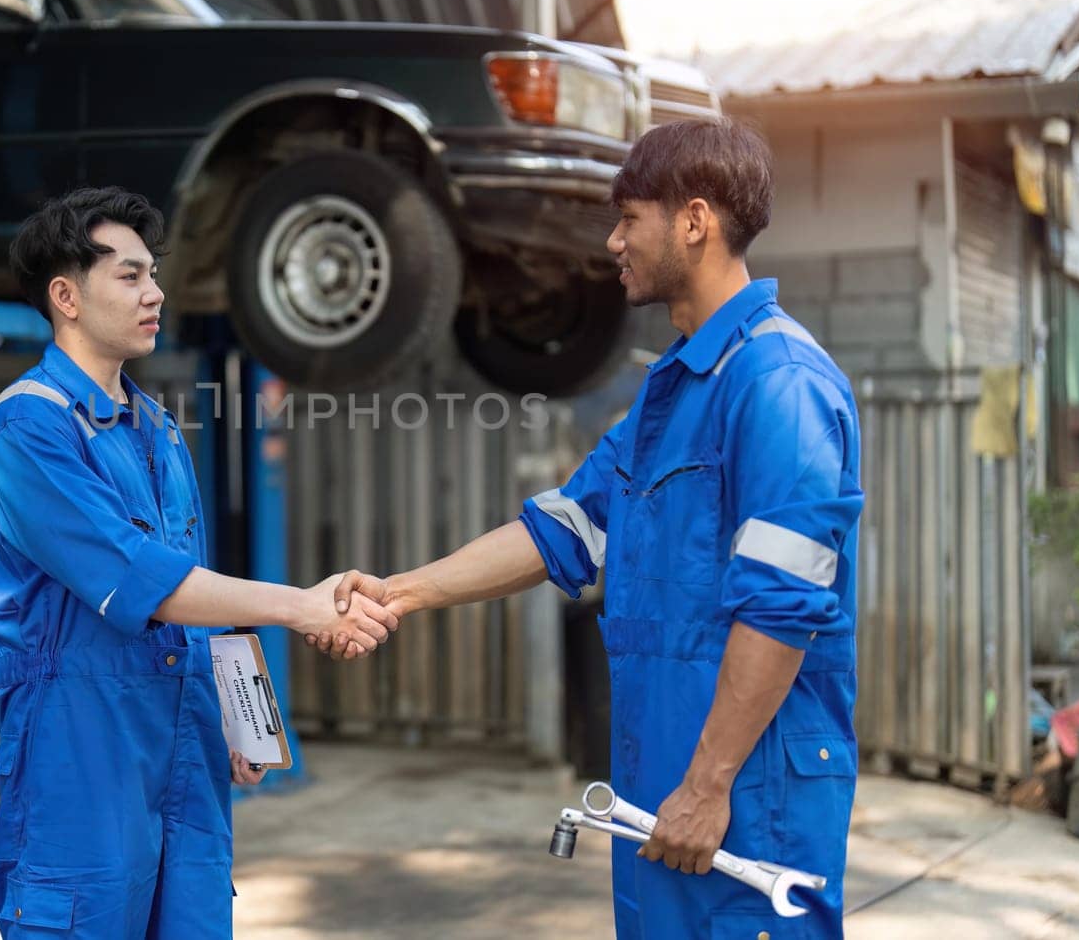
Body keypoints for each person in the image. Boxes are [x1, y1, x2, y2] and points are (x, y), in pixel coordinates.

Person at [318, 118, 864, 938]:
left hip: (746, 794)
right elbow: (559, 534)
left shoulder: (778, 384)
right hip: (662, 772)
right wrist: (398, 593)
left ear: (694, 219)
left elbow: (781, 607)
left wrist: (709, 783)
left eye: (627, 218)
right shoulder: (671, 391)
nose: (613, 242)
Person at [0, 186, 396, 940]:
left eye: (153, 272)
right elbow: (142, 580)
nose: (155, 291)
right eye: (129, 275)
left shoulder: (156, 427)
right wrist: (301, 604)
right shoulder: (27, 428)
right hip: (81, 754)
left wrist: (245, 717)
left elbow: (196, 577)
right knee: (81, 918)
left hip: (183, 747)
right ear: (66, 295)